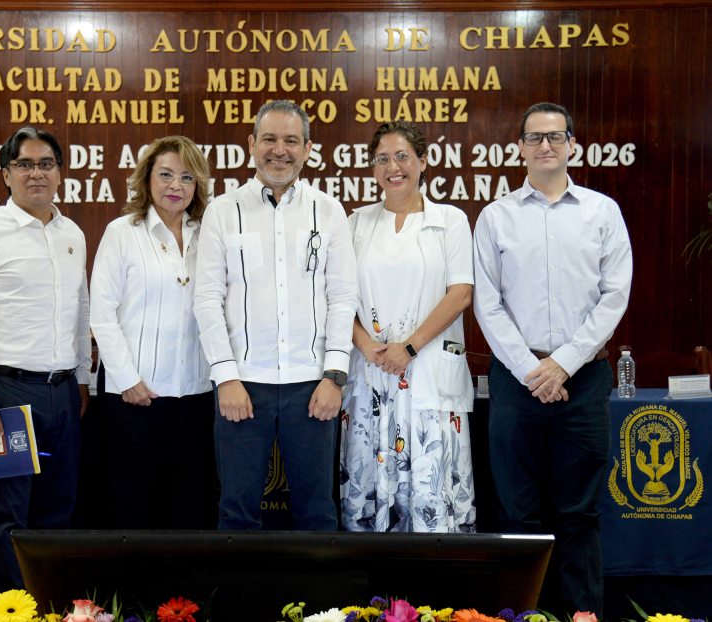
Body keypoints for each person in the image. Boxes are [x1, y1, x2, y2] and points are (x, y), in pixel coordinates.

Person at [473, 102, 632, 615]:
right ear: (519, 147)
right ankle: (525, 613)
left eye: (555, 136)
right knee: (518, 511)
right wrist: (530, 369)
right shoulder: (496, 217)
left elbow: (615, 295)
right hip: (515, 380)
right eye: (534, 137)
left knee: (579, 511)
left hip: (582, 380)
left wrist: (563, 363)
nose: (545, 145)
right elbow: (486, 302)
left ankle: (582, 612)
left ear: (572, 145)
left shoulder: (602, 212)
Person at [194, 100, 357, 530]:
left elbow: (342, 296)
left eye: (291, 140)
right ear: (251, 144)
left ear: (307, 149)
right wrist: (226, 377)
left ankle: (322, 600)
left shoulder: (329, 211)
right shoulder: (223, 211)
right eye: (269, 139)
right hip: (243, 385)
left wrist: (335, 376)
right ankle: (241, 600)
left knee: (318, 512)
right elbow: (207, 298)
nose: (279, 150)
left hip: (313, 383)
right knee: (237, 510)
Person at [0, 127, 91, 595]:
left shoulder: (72, 233)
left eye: (46, 164)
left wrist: (84, 379)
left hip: (64, 392)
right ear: (6, 173)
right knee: (6, 516)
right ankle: (8, 610)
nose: (36, 174)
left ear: (60, 173)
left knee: (57, 510)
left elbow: (80, 311)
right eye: (25, 164)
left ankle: (50, 606)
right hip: (5, 395)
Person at [340, 121, 476, 533]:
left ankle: (436, 594)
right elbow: (337, 298)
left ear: (422, 161)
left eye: (402, 156)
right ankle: (369, 596)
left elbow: (460, 293)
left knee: (430, 493)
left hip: (429, 374)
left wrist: (408, 349)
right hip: (371, 375)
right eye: (382, 159)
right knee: (369, 492)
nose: (392, 167)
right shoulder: (356, 223)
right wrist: (367, 347)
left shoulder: (449, 220)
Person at [90, 135, 216, 529]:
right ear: (147, 179)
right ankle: (131, 593)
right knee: (132, 506)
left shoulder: (209, 234)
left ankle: (185, 594)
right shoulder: (122, 232)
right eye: (165, 175)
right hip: (134, 396)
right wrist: (127, 379)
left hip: (195, 395)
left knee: (191, 506)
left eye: (186, 177)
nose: (175, 186)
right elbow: (101, 314)